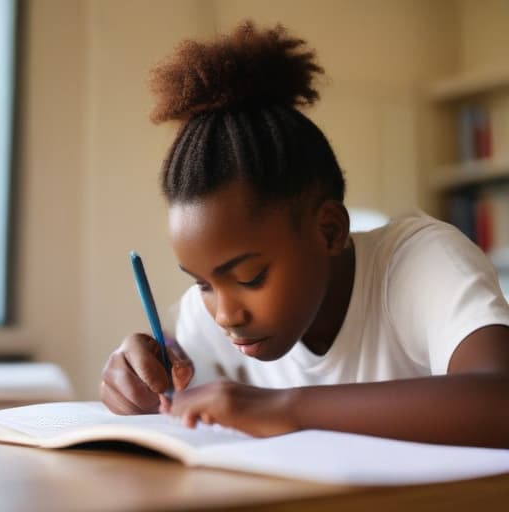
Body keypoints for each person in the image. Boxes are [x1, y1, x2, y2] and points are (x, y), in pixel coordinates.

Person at [101, 21, 509, 447]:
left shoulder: (421, 263)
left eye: (250, 278)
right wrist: (141, 375)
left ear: (329, 230)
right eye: (202, 283)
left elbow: (500, 399)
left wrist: (283, 408)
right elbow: (177, 379)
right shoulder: (216, 314)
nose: (224, 314)